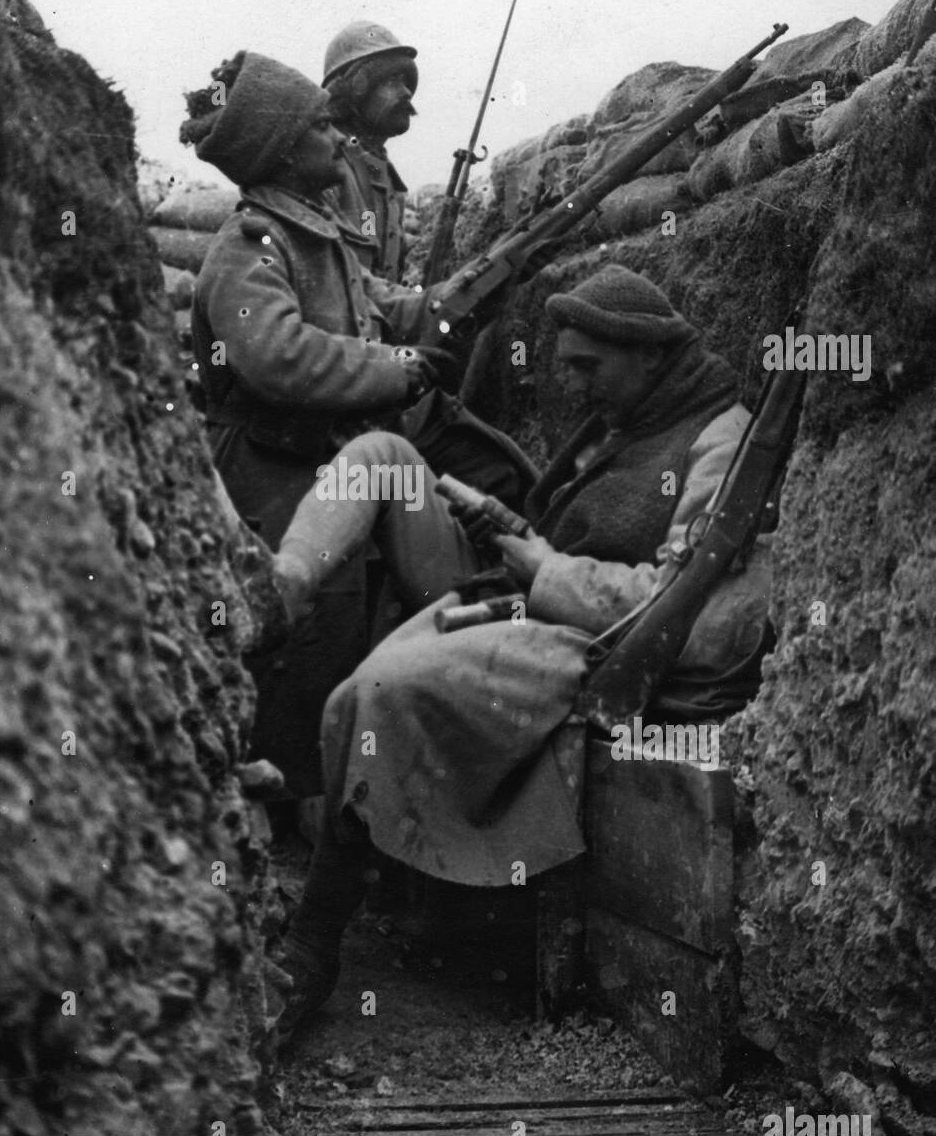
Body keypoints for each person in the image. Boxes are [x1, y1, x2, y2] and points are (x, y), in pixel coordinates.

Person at [269, 264, 774, 1036]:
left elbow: (686, 609)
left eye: (585, 365)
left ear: (644, 352)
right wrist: (514, 532)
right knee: (380, 454)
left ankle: (313, 943)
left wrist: (544, 569)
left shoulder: (718, 440)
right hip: (529, 593)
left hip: (591, 641)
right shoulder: (631, 417)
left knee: (371, 695)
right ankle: (280, 590)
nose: (574, 386)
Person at [180, 50, 453, 798]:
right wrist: (394, 369)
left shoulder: (312, 236)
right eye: (322, 129)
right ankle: (273, 830)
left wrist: (454, 300)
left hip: (318, 469)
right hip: (269, 474)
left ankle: (310, 815)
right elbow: (278, 358)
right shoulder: (249, 247)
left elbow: (380, 302)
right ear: (283, 149)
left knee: (333, 641)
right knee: (289, 642)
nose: (338, 142)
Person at [322, 22, 417, 282]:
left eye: (406, 81)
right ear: (354, 89)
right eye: (391, 80)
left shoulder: (383, 173)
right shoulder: (326, 166)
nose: (407, 92)